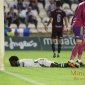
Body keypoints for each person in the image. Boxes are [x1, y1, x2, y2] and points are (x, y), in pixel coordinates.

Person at [68, 1, 85, 68]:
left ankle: (78, 61)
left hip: (80, 25)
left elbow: (74, 14)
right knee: (79, 43)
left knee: (83, 43)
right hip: (79, 25)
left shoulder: (80, 4)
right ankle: (71, 61)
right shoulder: (83, 5)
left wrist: (72, 25)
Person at [9, 56, 80, 68]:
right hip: (40, 61)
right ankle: (72, 64)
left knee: (54, 65)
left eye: (11, 62)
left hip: (40, 62)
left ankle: (68, 64)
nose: (11, 64)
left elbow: (24, 64)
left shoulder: (20, 63)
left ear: (14, 61)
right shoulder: (21, 61)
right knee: (55, 64)